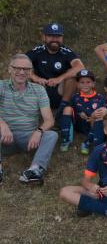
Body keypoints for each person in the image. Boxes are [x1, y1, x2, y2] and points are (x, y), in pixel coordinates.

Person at [0, 54, 58, 184]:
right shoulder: (1, 86)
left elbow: (49, 120)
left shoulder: (39, 90)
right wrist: (2, 125)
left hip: (29, 139)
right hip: (3, 137)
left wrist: (38, 131)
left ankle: (34, 170)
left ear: (31, 72)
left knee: (51, 135)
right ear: (9, 69)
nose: (22, 72)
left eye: (26, 69)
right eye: (17, 68)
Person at [26, 23, 85, 111]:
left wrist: (59, 79)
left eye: (58, 36)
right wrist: (35, 78)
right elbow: (19, 65)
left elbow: (80, 67)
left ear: (62, 38)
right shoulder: (37, 51)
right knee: (24, 75)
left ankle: (62, 108)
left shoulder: (66, 52)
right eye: (51, 36)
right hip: (40, 89)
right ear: (44, 37)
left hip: (60, 91)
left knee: (72, 78)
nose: (55, 39)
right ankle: (31, 108)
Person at [58, 69, 104, 154]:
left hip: (93, 124)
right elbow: (71, 109)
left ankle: (88, 142)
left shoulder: (100, 97)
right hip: (78, 124)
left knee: (98, 116)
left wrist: (92, 116)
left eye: (88, 82)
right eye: (82, 82)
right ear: (77, 84)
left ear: (93, 83)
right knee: (67, 109)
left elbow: (102, 112)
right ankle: (66, 138)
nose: (85, 85)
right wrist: (79, 113)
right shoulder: (75, 97)